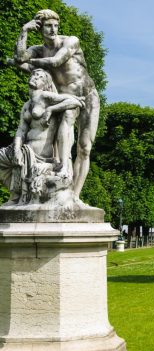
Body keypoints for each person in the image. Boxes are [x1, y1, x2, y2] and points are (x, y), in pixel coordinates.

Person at [12, 9, 100, 199]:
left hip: (87, 96)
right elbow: (20, 57)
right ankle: (63, 173)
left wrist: (31, 63)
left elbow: (56, 60)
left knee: (85, 148)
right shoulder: (38, 49)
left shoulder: (71, 41)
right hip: (63, 99)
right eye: (48, 26)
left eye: (55, 26)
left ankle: (75, 196)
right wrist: (24, 31)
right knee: (65, 121)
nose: (53, 30)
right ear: (40, 28)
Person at [0, 68, 84, 205]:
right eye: (33, 75)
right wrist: (16, 148)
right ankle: (16, 194)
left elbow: (74, 102)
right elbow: (21, 129)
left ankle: (17, 196)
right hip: (25, 148)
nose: (34, 77)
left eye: (39, 77)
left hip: (41, 153)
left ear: (45, 84)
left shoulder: (46, 96)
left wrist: (51, 109)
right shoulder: (27, 105)